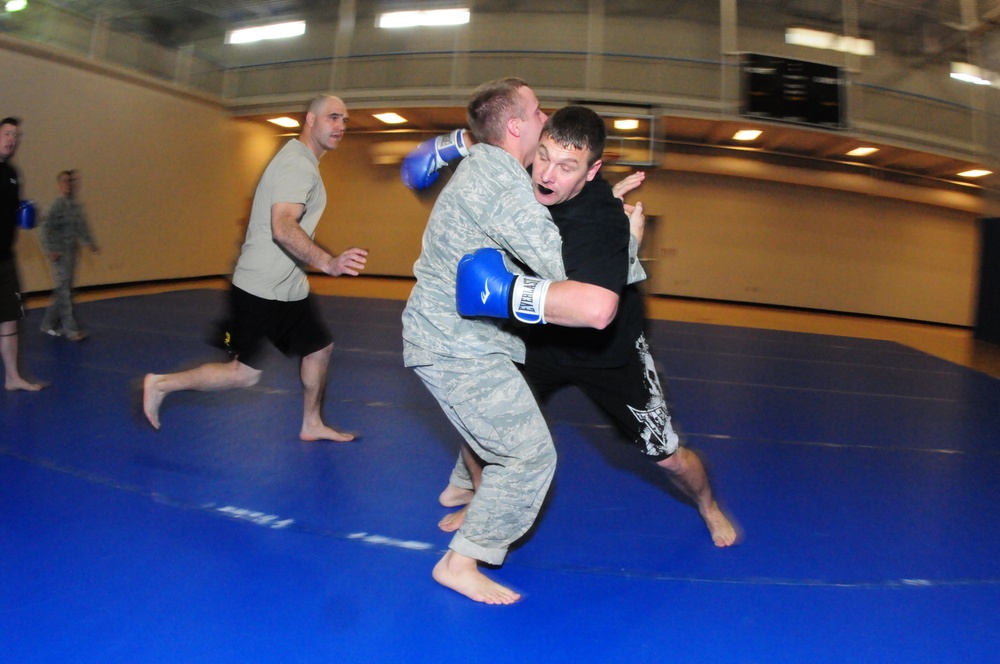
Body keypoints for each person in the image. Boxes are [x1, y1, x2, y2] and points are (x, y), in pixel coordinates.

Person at [435, 106, 738, 548]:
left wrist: (503, 293)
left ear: (592, 170)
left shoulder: (602, 224)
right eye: (543, 157)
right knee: (484, 418)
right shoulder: (524, 179)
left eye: (567, 167)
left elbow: (597, 310)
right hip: (540, 342)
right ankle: (481, 500)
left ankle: (709, 506)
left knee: (668, 457)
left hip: (607, 351)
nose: (547, 175)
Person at [401, 78, 645, 605]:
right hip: (455, 345)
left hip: (455, 338)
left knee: (503, 424)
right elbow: (564, 274)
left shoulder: (492, 167)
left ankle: (461, 490)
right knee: (531, 458)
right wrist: (624, 242)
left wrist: (595, 196)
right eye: (537, 111)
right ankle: (461, 562)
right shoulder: (503, 184)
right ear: (516, 126)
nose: (544, 117)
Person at [142, 95, 367, 441]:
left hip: (290, 288)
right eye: (332, 118)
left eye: (344, 120)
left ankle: (311, 423)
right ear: (310, 119)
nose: (340, 126)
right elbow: (283, 226)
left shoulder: (304, 161)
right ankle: (160, 384)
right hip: (259, 288)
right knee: (243, 375)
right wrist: (328, 261)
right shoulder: (297, 165)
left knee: (319, 348)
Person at [0, 117, 44, 392]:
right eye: (6, 133)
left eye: (15, 136)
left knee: (9, 317)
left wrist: (23, 212)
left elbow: (12, 212)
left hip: (4, 258)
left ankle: (12, 377)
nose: (11, 139)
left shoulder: (12, 174)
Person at [39, 170, 99, 341]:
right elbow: (43, 230)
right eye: (65, 181)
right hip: (58, 255)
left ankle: (47, 324)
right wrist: (50, 250)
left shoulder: (75, 206)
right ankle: (71, 330)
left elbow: (81, 226)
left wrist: (90, 242)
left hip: (71, 254)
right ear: (59, 185)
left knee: (63, 291)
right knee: (64, 292)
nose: (69, 184)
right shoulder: (55, 206)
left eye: (71, 181)